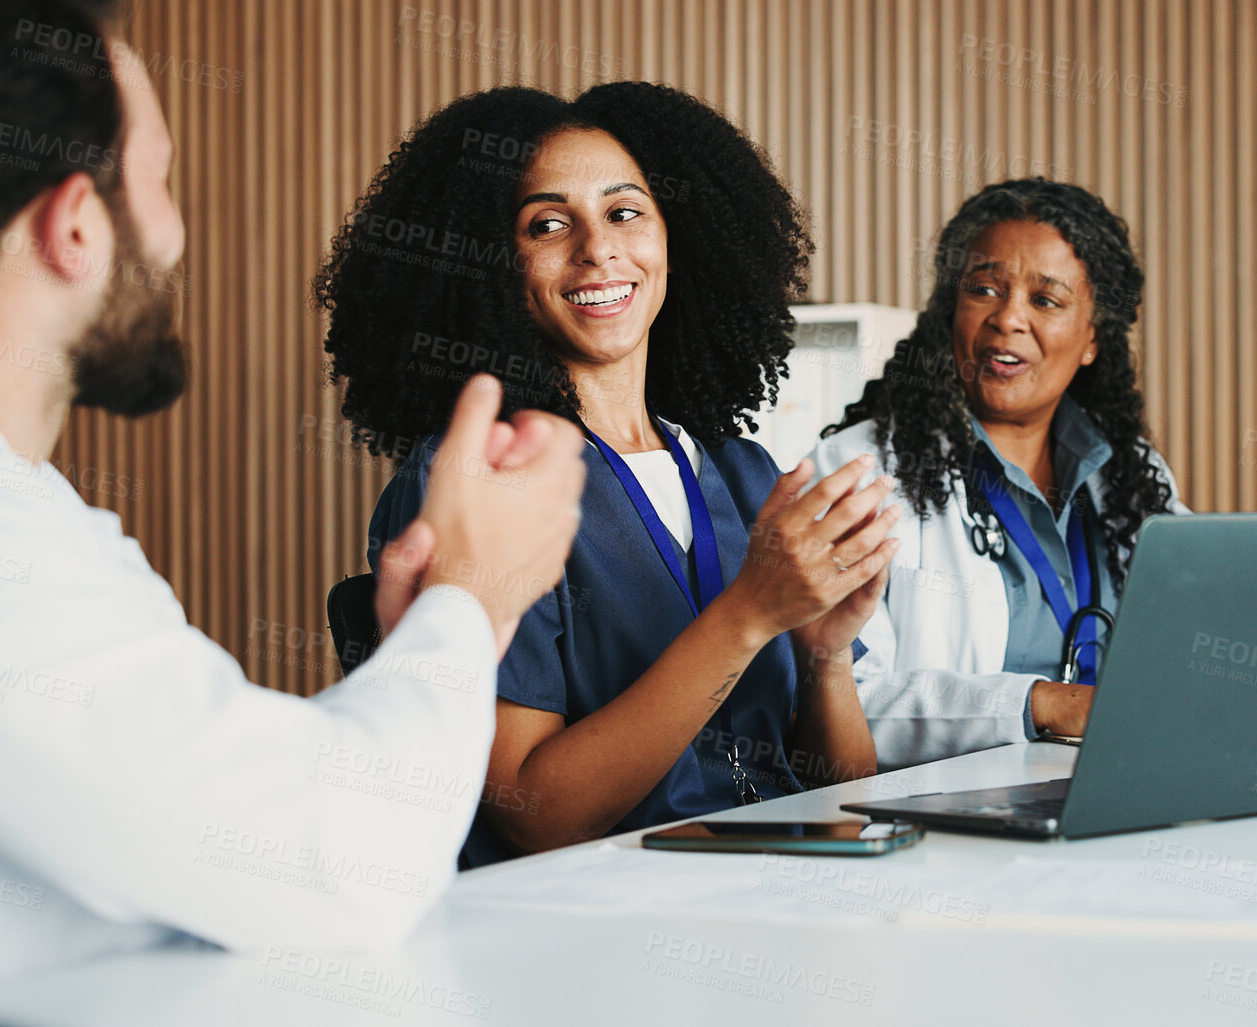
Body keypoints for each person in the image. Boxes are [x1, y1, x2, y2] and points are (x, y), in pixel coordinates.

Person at [0, 0, 587, 974]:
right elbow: (339, 860)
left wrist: (417, 661)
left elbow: (224, 806)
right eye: (158, 180)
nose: (175, 235)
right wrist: (468, 609)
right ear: (74, 226)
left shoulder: (44, 518)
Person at [319, 84, 893, 866]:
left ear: (674, 236)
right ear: (493, 264)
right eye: (548, 224)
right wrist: (752, 610)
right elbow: (537, 815)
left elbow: (846, 798)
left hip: (775, 891)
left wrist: (826, 656)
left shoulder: (744, 473)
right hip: (598, 924)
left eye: (625, 212)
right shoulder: (478, 481)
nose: (597, 248)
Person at [812, 178, 1187, 771]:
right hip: (944, 817)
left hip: (1125, 785)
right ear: (949, 310)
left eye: (1046, 300)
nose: (1007, 317)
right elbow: (841, 701)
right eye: (983, 289)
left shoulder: (1134, 477)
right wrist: (1039, 704)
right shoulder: (856, 474)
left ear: (1091, 339)